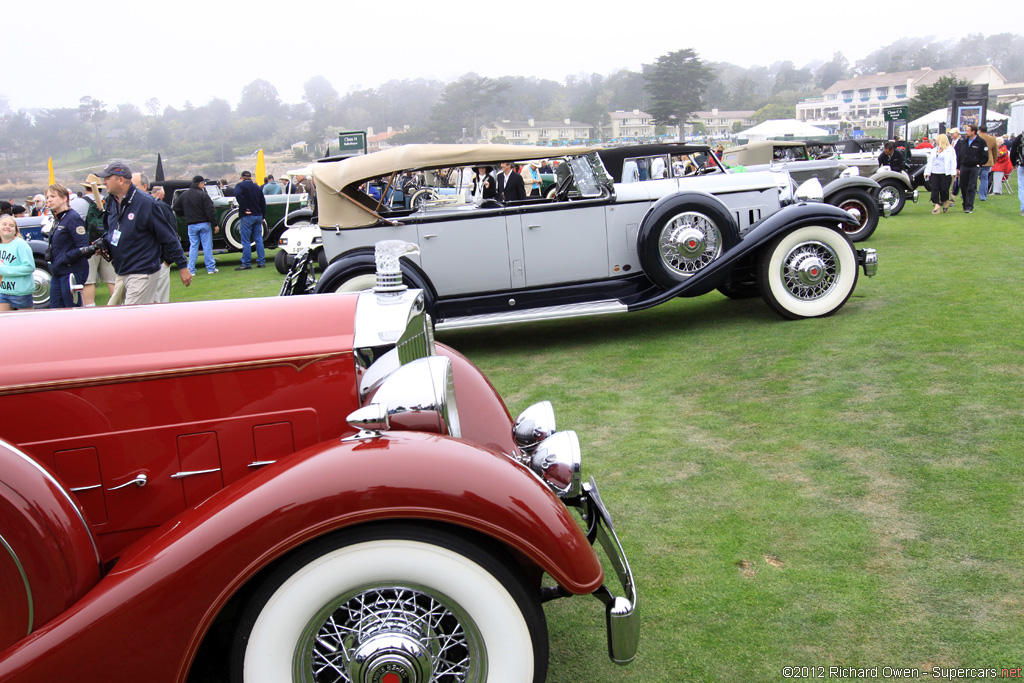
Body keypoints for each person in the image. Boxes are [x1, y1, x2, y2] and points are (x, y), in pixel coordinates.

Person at [97, 161, 191, 303]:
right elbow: (113, 230)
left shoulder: (145, 203)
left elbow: (167, 235)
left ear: (121, 180)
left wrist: (182, 265)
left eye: (107, 178)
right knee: (136, 314)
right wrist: (104, 242)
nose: (104, 182)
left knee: (130, 319)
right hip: (122, 270)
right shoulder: (112, 202)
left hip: (141, 271)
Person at [45, 183, 90, 308]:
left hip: (72, 271)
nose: (49, 200)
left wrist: (64, 258)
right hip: (58, 271)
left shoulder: (72, 218)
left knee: (72, 309)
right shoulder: (58, 219)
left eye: (53, 196)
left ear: (64, 198)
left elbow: (83, 246)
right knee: (55, 309)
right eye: (47, 197)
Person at [72, 177, 115, 306]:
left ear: (85, 188)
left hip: (89, 244)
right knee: (112, 279)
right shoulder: (109, 201)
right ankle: (119, 305)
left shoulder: (77, 203)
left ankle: (90, 307)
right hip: (107, 243)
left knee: (89, 280)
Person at [173, 175, 219, 275]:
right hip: (203, 223)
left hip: (191, 224)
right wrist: (215, 224)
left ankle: (191, 269)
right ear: (200, 184)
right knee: (207, 246)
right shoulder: (203, 195)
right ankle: (210, 268)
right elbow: (209, 211)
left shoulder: (184, 195)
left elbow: (176, 207)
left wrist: (185, 215)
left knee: (193, 247)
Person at [0, 215, 35, 312]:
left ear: (15, 231)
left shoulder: (21, 244)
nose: (7, 227)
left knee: (25, 323)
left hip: (21, 293)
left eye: (11, 225)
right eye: (4, 224)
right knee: (4, 322)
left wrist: (4, 270)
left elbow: (29, 267)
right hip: (2, 292)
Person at [233, 170, 266, 270]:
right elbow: (263, 202)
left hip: (248, 216)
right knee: (258, 239)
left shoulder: (240, 186)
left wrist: (244, 208)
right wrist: (263, 216)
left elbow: (238, 195)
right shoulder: (257, 186)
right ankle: (261, 261)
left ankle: (246, 263)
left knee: (246, 240)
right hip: (258, 215)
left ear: (242, 177)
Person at [957, 124, 988, 214]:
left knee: (971, 186)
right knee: (963, 186)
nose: (966, 132)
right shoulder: (964, 141)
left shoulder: (981, 142)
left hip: (974, 167)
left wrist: (979, 163)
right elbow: (959, 155)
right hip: (964, 166)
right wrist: (958, 167)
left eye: (967, 131)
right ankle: (965, 204)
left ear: (973, 132)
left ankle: (969, 206)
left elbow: (985, 156)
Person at [923, 134, 956, 214]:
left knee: (944, 189)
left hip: (945, 173)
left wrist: (953, 172)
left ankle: (945, 201)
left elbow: (953, 161)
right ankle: (936, 204)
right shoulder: (934, 150)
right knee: (934, 188)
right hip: (934, 172)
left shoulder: (950, 150)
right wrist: (927, 172)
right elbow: (930, 161)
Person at [977, 126, 998, 201]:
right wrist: (994, 161)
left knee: (972, 179)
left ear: (979, 130)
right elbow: (995, 152)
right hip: (988, 161)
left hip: (977, 160)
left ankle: (968, 194)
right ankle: (982, 196)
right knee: (984, 179)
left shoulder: (976, 137)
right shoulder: (992, 139)